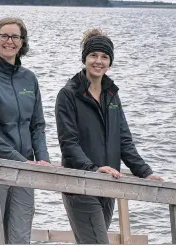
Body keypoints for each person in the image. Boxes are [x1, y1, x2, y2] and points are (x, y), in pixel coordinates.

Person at [55, 28, 164, 244]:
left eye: (104, 57)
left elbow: (123, 140)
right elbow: (69, 144)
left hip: (108, 185)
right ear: (84, 58)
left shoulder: (112, 95)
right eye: (93, 55)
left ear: (110, 62)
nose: (98, 61)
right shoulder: (68, 94)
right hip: (81, 184)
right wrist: (93, 169)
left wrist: (144, 172)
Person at [0, 17, 51, 244]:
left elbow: (37, 125)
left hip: (24, 169)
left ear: (22, 43)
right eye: (4, 35)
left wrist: (42, 159)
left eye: (15, 36)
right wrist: (18, 160)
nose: (9, 41)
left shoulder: (29, 79)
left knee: (20, 238)